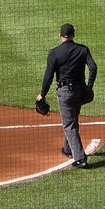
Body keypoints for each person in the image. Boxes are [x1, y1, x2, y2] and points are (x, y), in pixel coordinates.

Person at [36, 22, 97, 168]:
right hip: (80, 92)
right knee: (72, 119)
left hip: (65, 93)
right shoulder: (83, 49)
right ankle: (68, 148)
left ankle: (80, 158)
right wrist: (89, 87)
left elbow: (48, 76)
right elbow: (93, 68)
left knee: (69, 124)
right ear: (73, 35)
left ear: (60, 36)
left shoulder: (55, 52)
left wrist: (42, 95)